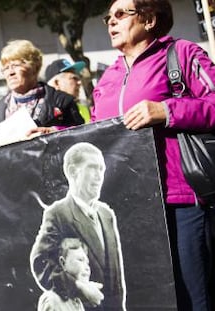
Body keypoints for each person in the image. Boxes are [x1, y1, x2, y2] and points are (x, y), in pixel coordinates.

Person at [93, 0, 215, 310]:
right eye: (108, 16)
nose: (111, 21)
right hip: (131, 209)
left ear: (149, 19)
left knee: (193, 300)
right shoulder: (108, 77)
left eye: (121, 13)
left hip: (182, 202)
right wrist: (55, 135)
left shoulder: (182, 53)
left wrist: (166, 110)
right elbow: (96, 134)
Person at [30, 142, 125, 310]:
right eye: (92, 168)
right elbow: (41, 262)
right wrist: (78, 287)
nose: (99, 176)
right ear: (73, 172)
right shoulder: (58, 213)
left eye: (101, 169)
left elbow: (116, 279)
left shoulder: (106, 214)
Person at [0, 39, 85, 142]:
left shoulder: (62, 102)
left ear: (35, 67)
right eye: (6, 68)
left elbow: (82, 135)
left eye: (15, 65)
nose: (10, 73)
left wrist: (54, 132)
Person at [37, 237, 94, 311]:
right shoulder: (52, 299)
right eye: (80, 260)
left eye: (87, 263)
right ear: (63, 263)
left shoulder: (77, 301)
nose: (87, 268)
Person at [45, 59, 91, 123]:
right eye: (74, 78)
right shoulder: (42, 110)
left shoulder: (82, 108)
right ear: (57, 83)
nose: (79, 82)